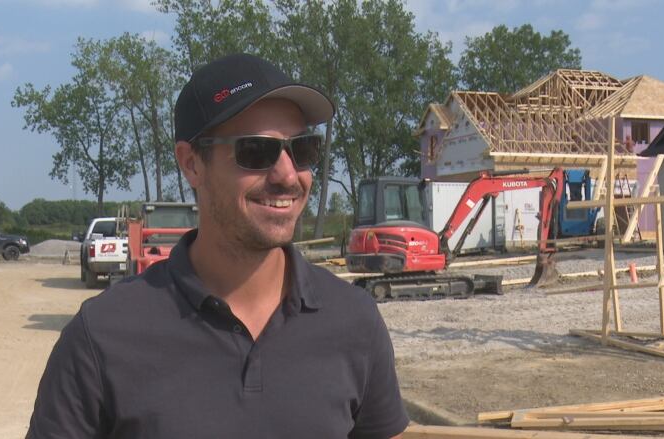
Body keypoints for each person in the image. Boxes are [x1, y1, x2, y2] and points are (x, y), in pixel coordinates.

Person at [27, 53, 409, 439]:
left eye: (302, 149)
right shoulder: (102, 336)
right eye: (256, 151)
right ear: (191, 163)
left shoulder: (355, 321)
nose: (287, 174)